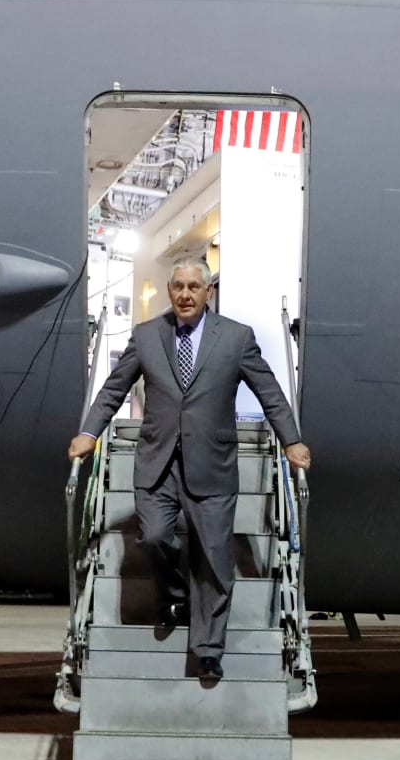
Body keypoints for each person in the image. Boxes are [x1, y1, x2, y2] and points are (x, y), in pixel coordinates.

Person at [70, 257, 311, 679]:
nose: (184, 294)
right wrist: (89, 434)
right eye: (177, 286)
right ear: (169, 290)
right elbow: (113, 389)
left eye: (193, 288)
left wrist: (291, 440)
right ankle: (174, 595)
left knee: (216, 559)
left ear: (208, 291)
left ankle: (208, 650)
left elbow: (270, 392)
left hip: (212, 464)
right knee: (155, 537)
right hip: (158, 461)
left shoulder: (236, 338)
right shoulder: (147, 336)